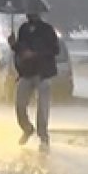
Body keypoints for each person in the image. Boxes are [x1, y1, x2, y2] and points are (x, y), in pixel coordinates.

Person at [9, 13, 60, 152]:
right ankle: (27, 128)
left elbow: (55, 49)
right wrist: (14, 45)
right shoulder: (23, 29)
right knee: (20, 105)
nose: (31, 13)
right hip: (26, 73)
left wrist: (36, 53)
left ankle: (43, 137)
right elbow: (20, 51)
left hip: (43, 73)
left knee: (43, 108)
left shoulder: (47, 30)